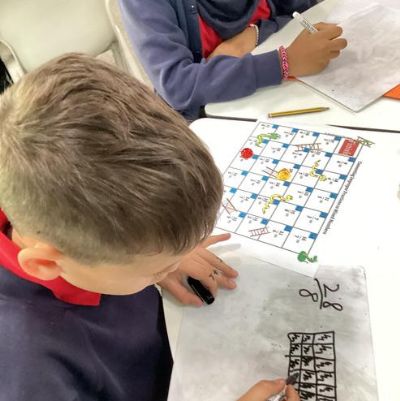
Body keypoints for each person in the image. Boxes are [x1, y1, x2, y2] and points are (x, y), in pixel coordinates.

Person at [0, 53, 299, 401]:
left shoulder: (59, 225)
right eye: (157, 269)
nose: (174, 265)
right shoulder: (28, 370)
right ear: (46, 264)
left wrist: (159, 257)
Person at [119, 0, 348, 120]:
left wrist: (250, 36)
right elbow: (177, 85)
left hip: (286, 94)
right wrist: (283, 63)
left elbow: (301, 12)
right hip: (207, 117)